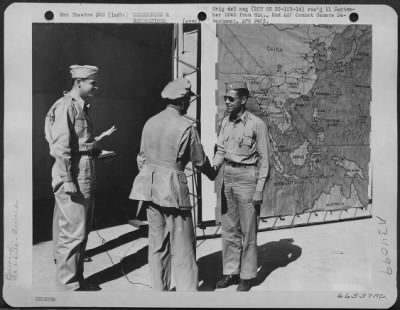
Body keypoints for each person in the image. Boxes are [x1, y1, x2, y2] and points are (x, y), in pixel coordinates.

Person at [129, 77, 216, 291]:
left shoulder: (150, 122)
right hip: (173, 192)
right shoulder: (186, 127)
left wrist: (153, 176)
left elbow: (141, 157)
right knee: (183, 247)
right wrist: (212, 173)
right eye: (188, 99)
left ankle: (160, 293)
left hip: (149, 189)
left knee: (157, 245)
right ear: (184, 100)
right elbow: (199, 160)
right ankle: (187, 297)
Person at [45, 65, 116, 291]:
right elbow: (60, 146)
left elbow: (79, 142)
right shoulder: (66, 106)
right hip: (73, 172)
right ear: (78, 82)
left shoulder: (80, 106)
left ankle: (76, 279)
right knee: (72, 232)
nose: (96, 86)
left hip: (83, 167)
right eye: (92, 83)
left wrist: (95, 152)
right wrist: (67, 178)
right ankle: (68, 287)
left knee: (81, 229)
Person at [213, 81, 270, 291]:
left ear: (243, 100)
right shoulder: (225, 122)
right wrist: (214, 167)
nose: (227, 102)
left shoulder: (257, 124)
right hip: (227, 175)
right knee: (228, 228)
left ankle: (247, 275)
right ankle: (231, 272)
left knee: (249, 230)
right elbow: (220, 149)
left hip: (248, 178)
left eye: (231, 99)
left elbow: (265, 160)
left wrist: (259, 189)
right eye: (225, 98)